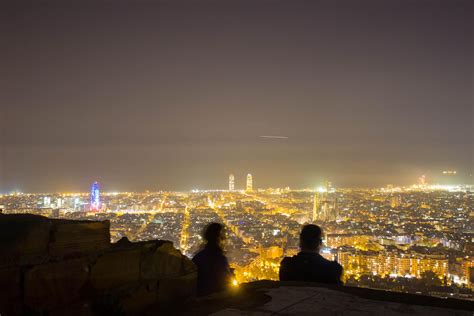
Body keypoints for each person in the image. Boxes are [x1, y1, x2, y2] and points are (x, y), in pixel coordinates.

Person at [192, 222, 234, 296]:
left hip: (199, 296)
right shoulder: (220, 258)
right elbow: (225, 283)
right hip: (213, 298)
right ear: (220, 239)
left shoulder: (198, 257)